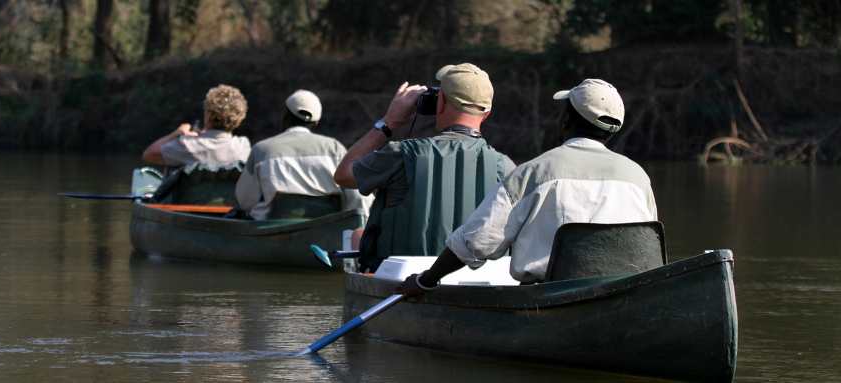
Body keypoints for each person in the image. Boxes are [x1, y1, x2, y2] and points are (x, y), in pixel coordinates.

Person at [396, 78, 659, 295]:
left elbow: (477, 241)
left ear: (565, 120)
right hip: (624, 293)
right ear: (611, 131)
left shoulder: (534, 172)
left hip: (551, 295)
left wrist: (427, 280)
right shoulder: (638, 176)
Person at [334, 63, 515, 272]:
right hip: (477, 286)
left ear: (440, 103)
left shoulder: (401, 155)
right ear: (487, 113)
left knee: (358, 234)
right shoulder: (507, 168)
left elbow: (344, 174)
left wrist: (389, 122)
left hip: (404, 283)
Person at [234, 90, 372, 220]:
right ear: (316, 122)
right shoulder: (335, 149)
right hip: (327, 234)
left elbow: (244, 201)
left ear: (285, 115)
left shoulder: (261, 150)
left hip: (273, 236)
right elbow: (359, 199)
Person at [142, 84, 251, 168]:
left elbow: (149, 154)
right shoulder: (243, 147)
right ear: (239, 118)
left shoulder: (187, 146)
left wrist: (177, 133)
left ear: (208, 115)